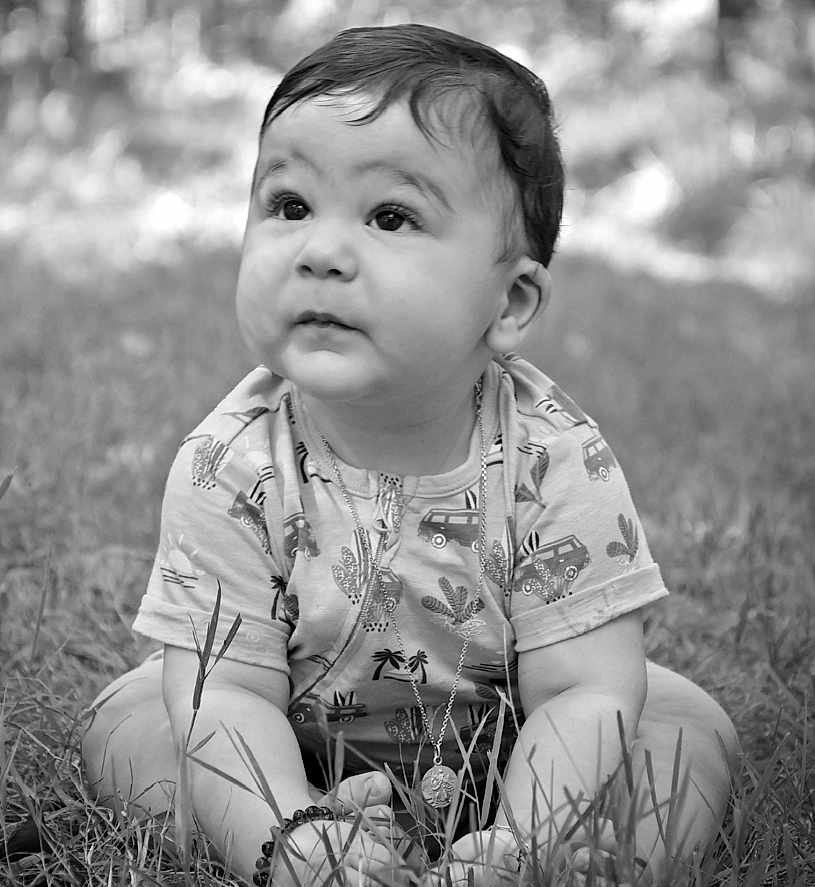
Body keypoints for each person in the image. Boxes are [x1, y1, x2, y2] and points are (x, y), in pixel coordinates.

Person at [81, 23, 739, 886]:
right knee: (136, 716)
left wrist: (528, 830)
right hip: (296, 741)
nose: (319, 252)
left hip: (519, 747)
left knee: (682, 723)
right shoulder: (229, 462)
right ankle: (308, 847)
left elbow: (582, 693)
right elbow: (229, 696)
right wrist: (287, 829)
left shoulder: (554, 456)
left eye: (390, 216)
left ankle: (531, 862)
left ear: (508, 301)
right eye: (289, 206)